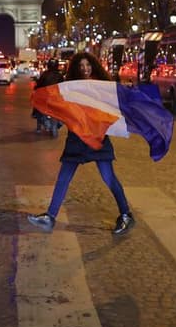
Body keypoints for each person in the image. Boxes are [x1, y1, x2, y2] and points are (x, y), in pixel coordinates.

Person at [27, 51, 136, 236]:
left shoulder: (102, 87)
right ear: (76, 68)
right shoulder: (70, 87)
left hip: (96, 138)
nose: (85, 69)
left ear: (93, 66)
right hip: (77, 138)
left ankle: (126, 215)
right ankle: (50, 216)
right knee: (63, 178)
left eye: (88, 65)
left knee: (109, 178)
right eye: (81, 66)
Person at [32, 59, 64, 135]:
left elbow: (39, 85)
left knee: (37, 107)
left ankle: (38, 121)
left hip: (51, 99)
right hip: (52, 99)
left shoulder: (45, 74)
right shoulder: (59, 75)